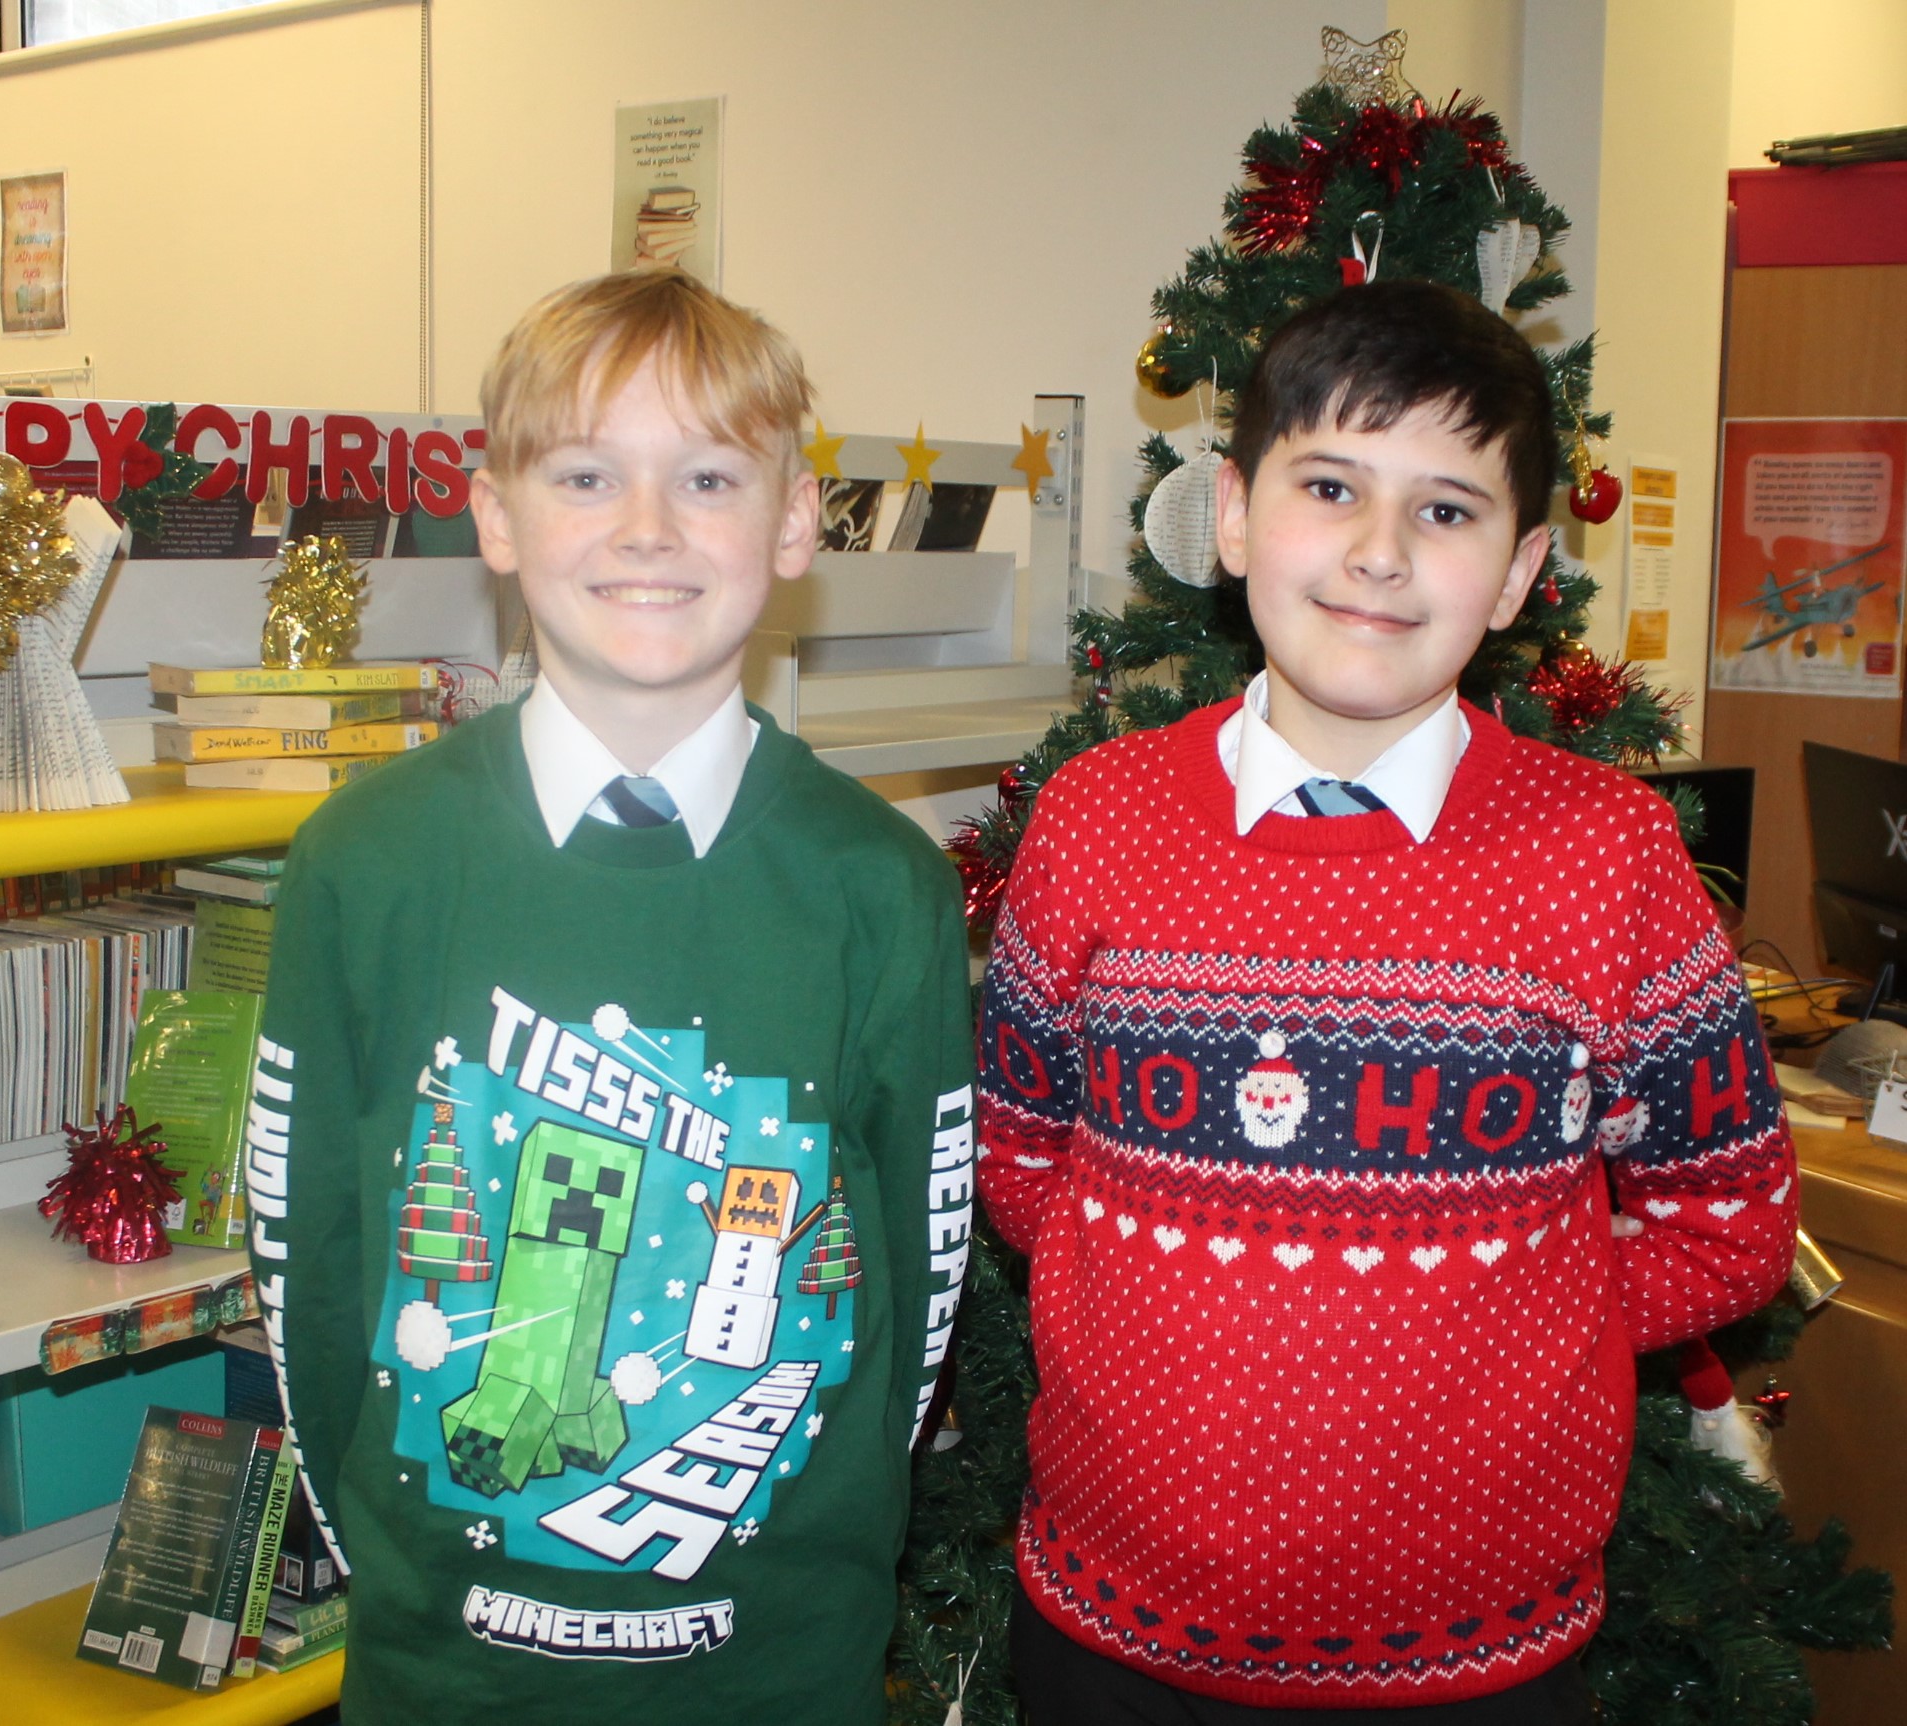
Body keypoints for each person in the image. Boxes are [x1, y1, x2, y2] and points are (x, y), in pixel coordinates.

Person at [977, 279, 1796, 1724]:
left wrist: (1518, 1307)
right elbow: (1020, 1152)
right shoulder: (1096, 819)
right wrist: (1175, 1285)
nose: (1377, 553)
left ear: (1526, 564)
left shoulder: (1608, 853)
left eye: (1447, 509)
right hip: (1113, 1635)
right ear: (1232, 515)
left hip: (1476, 1664)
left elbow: (1730, 1220)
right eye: (1332, 485)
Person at [246, 268, 975, 1726]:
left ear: (788, 524)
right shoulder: (364, 866)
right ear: (499, 515)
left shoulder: (880, 887)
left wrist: (815, 1545)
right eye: (588, 474)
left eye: (707, 477)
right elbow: (305, 1265)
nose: (648, 530)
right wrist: (396, 1560)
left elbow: (916, 1274)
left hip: (781, 1673)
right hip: (448, 1674)